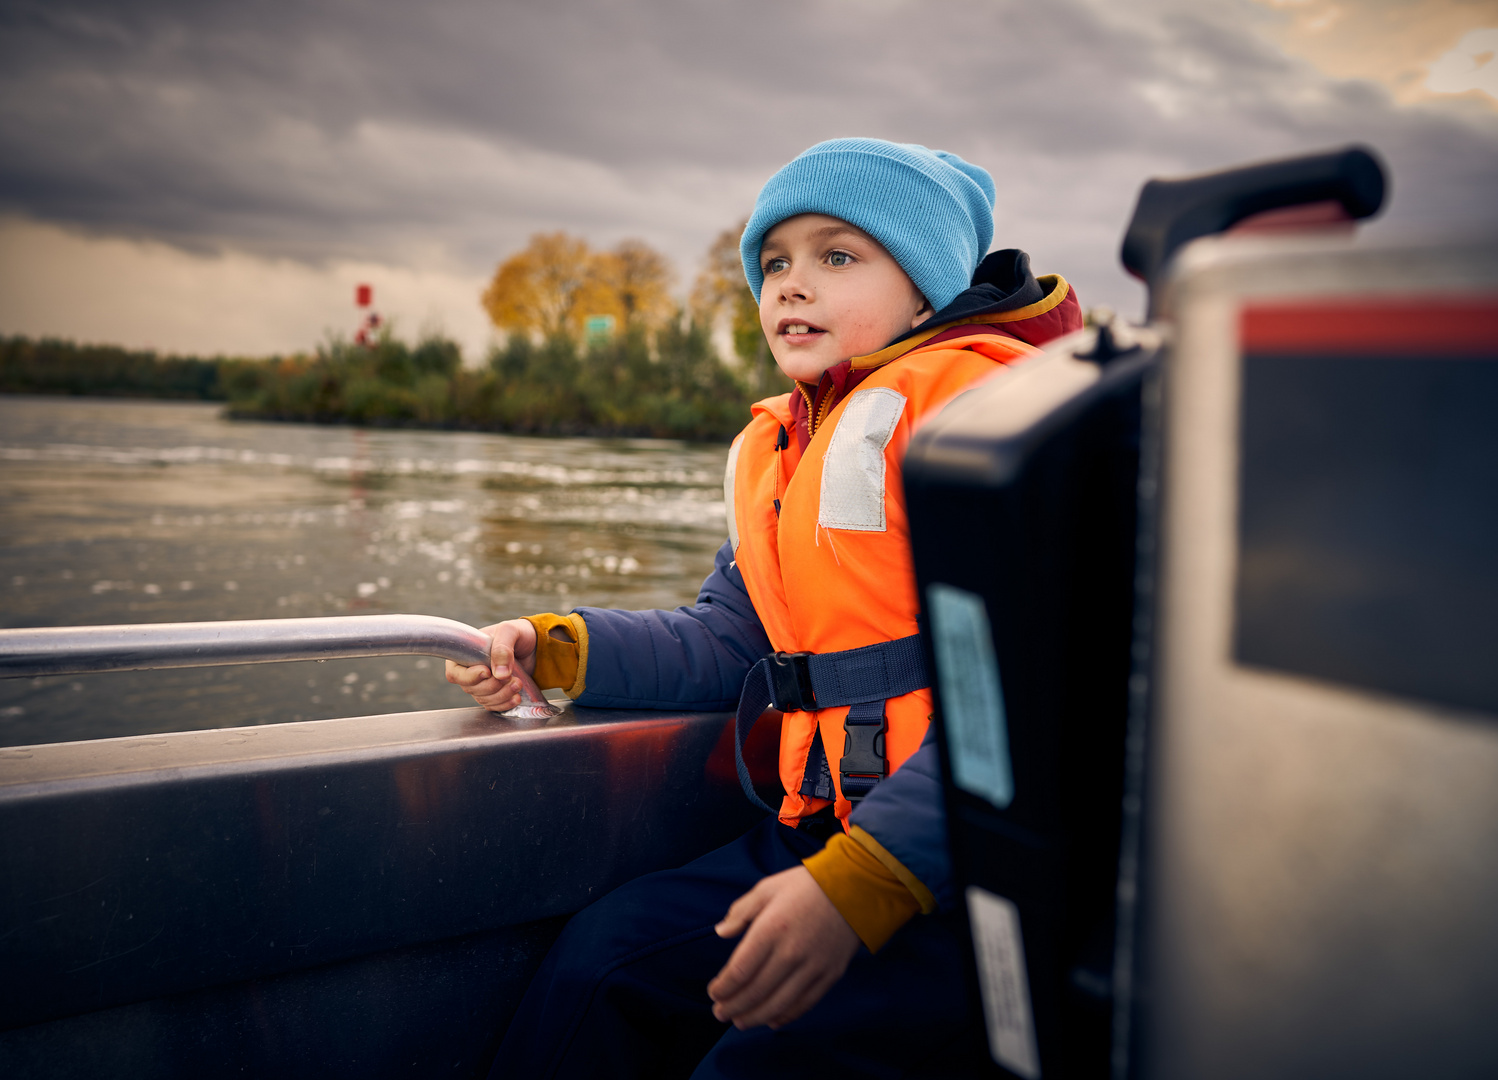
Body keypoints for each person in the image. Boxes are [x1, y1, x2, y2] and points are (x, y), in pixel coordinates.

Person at [448, 137, 1082, 1078]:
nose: (791, 284)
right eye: (773, 262)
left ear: (924, 293)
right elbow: (724, 639)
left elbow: (1038, 693)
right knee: (602, 960)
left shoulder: (981, 426)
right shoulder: (787, 450)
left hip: (959, 873)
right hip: (815, 837)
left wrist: (864, 880)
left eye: (837, 257)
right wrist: (560, 647)